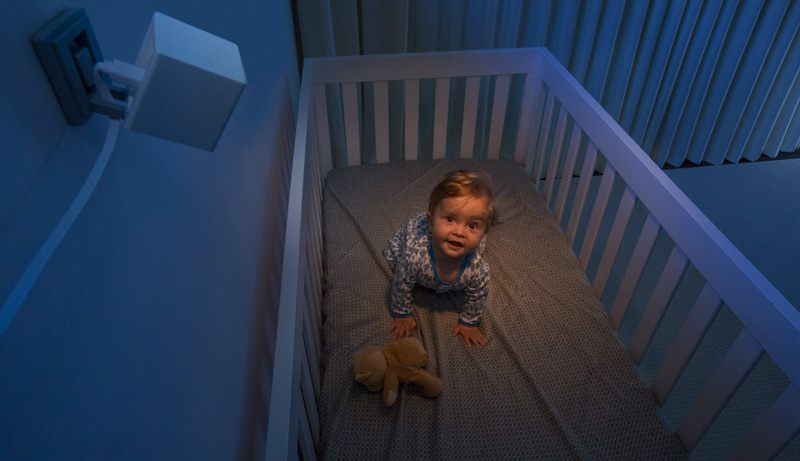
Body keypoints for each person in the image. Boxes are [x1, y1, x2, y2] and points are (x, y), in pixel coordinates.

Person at [383, 170, 496, 347]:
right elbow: (400, 285)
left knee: (478, 244)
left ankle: (485, 219)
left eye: (472, 225)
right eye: (450, 219)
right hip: (417, 231)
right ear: (430, 222)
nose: (459, 232)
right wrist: (402, 314)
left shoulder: (478, 270)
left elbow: (477, 297)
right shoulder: (414, 258)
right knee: (396, 259)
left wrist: (469, 323)